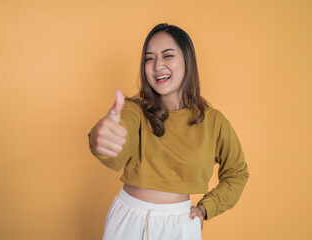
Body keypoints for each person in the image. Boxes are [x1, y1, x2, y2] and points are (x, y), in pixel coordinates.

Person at [88, 23, 249, 240]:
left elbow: (237, 173)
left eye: (168, 55)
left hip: (180, 225)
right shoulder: (134, 111)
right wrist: (102, 137)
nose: (157, 65)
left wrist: (205, 208)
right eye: (149, 58)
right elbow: (115, 146)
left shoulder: (214, 122)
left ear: (187, 60)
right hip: (128, 220)